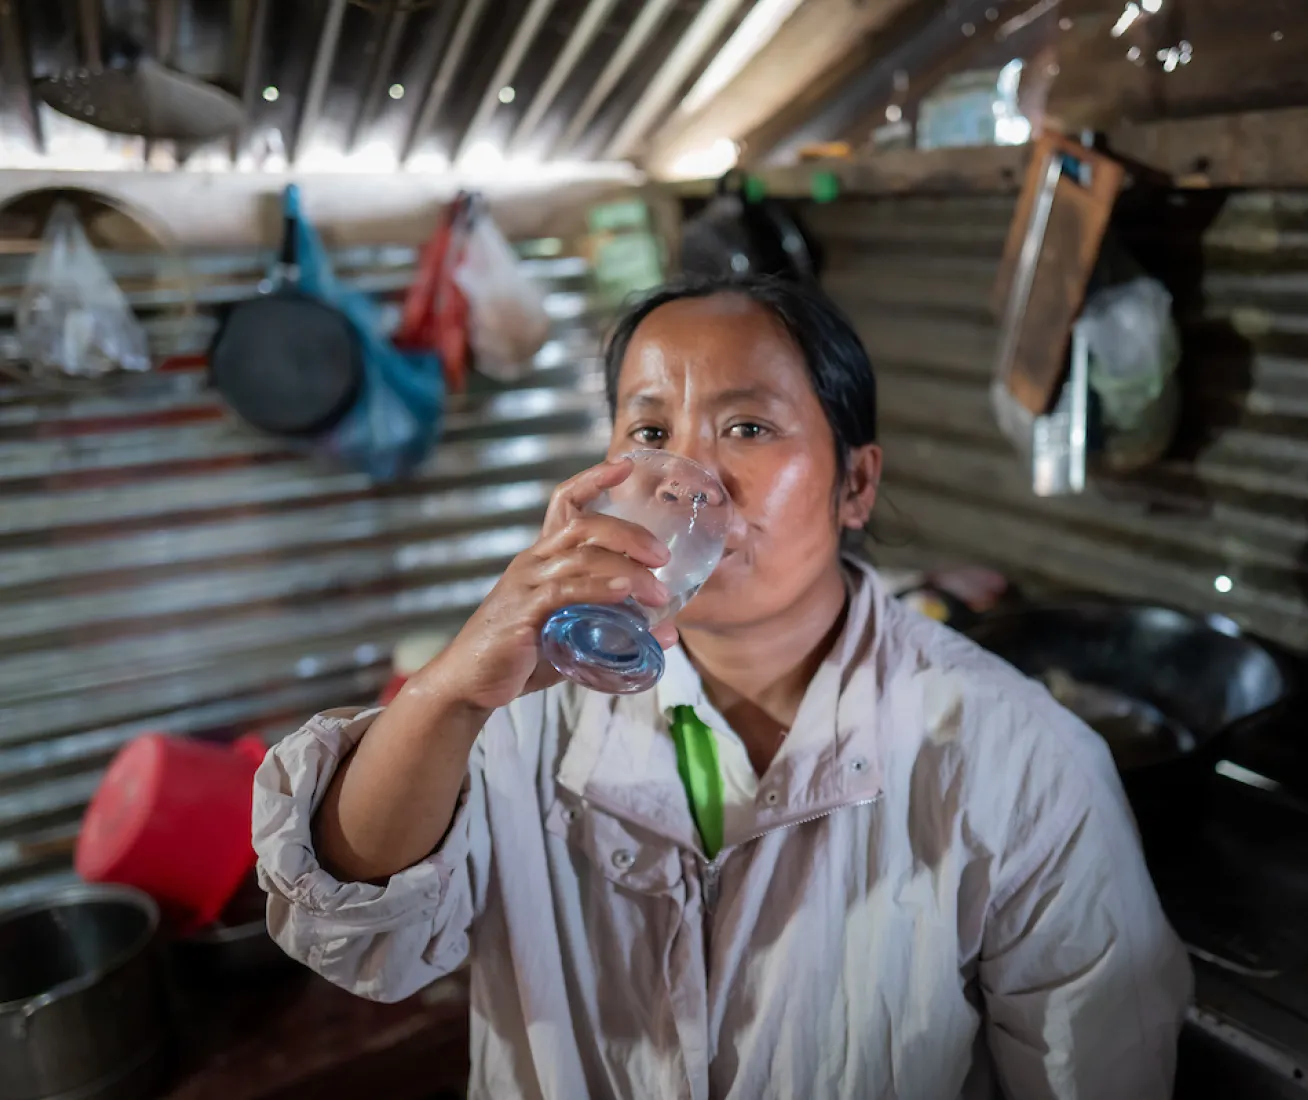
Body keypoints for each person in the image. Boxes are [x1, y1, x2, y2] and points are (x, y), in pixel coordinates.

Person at [252, 274, 1192, 1099]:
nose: (688, 479)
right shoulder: (522, 704)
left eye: (748, 427)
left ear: (856, 484)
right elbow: (358, 934)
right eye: (650, 431)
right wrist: (451, 695)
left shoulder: (1020, 757)